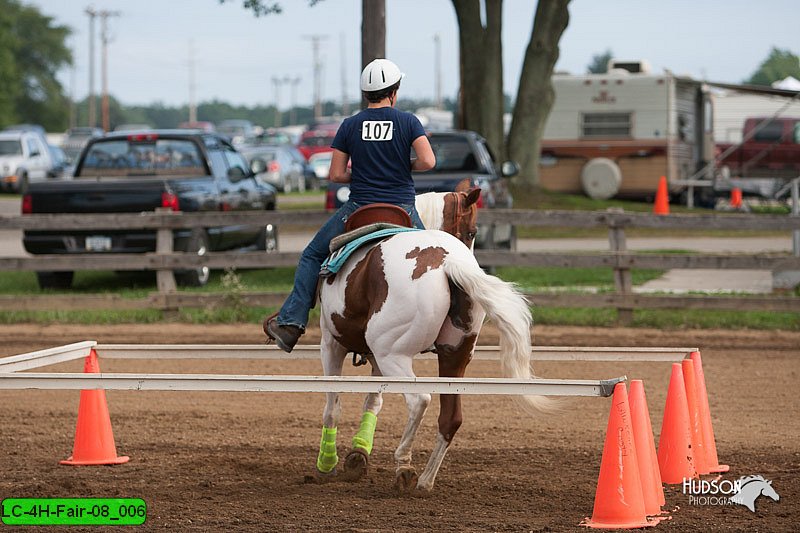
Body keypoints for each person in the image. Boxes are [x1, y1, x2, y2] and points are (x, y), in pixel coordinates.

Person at [264, 59, 436, 353]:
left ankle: (291, 322)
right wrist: (401, 166)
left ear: (366, 94)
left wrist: (365, 171)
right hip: (402, 209)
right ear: (393, 92)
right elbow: (428, 161)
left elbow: (336, 174)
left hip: (359, 209)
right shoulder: (408, 122)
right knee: (432, 263)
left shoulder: (349, 125)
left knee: (311, 255)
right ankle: (441, 327)